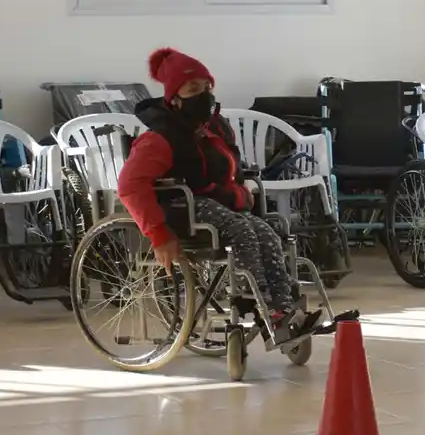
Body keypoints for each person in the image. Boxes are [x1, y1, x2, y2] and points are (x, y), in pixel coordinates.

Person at [117, 48, 321, 343]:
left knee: (267, 229)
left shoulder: (214, 128)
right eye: (193, 88)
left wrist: (242, 191)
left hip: (215, 201)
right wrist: (159, 234)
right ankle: (260, 304)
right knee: (242, 228)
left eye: (207, 87)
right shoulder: (159, 137)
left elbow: (229, 171)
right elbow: (130, 185)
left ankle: (285, 307)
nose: (204, 94)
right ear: (174, 96)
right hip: (180, 206)